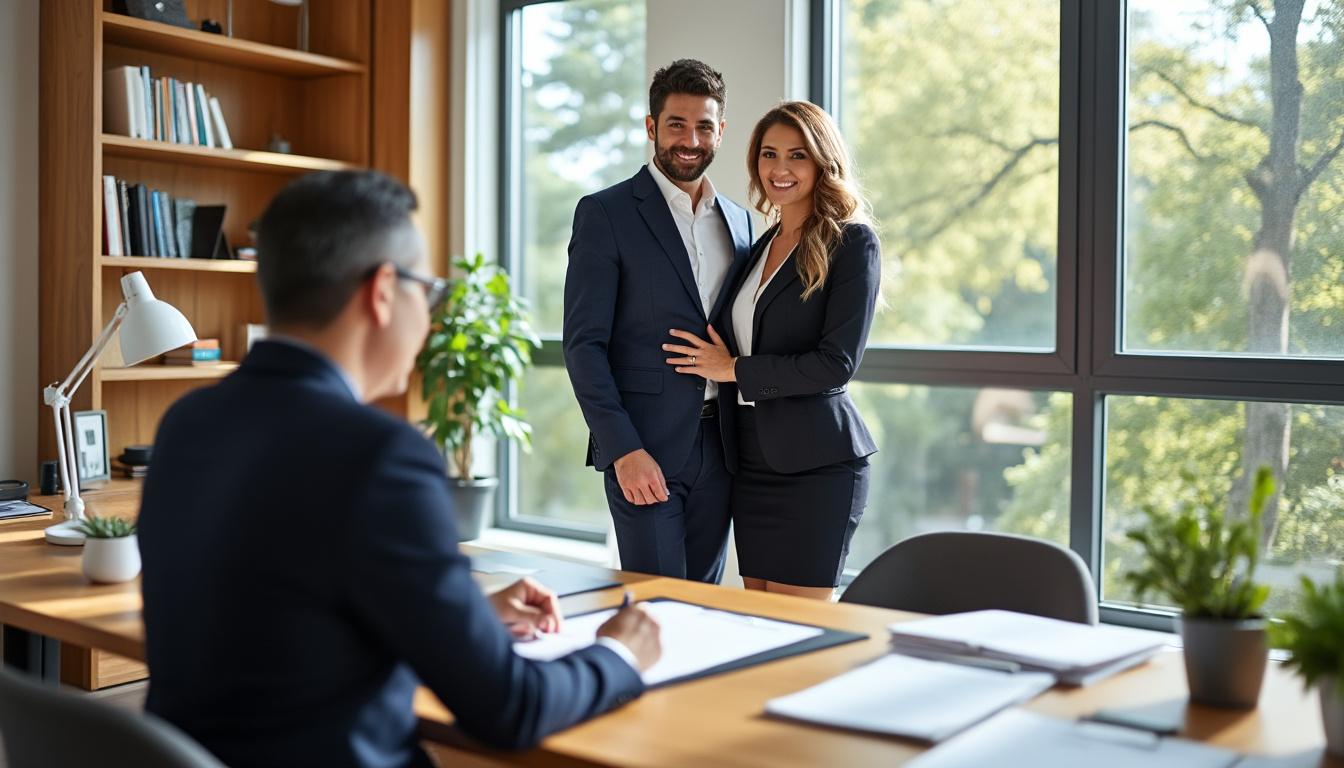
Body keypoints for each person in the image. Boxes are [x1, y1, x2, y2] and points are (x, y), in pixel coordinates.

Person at [137, 170, 661, 768]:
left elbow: (277, 612)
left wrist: (458, 619)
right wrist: (620, 655)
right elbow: (511, 709)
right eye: (429, 291)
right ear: (383, 290)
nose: (430, 316)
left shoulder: (188, 422)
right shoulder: (379, 454)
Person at [662, 101, 881, 599]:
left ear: (823, 161)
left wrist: (734, 369)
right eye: (769, 154)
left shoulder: (852, 243)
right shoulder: (759, 246)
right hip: (751, 462)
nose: (779, 169)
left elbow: (836, 364)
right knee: (759, 620)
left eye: (797, 155)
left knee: (794, 630)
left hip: (815, 466)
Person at [563, 59, 754, 582]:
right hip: (644, 446)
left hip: (723, 448)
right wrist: (623, 449)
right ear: (652, 127)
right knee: (658, 607)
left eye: (704, 126)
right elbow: (583, 346)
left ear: (721, 132)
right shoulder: (606, 214)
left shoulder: (739, 222)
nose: (690, 139)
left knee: (705, 603)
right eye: (676, 124)